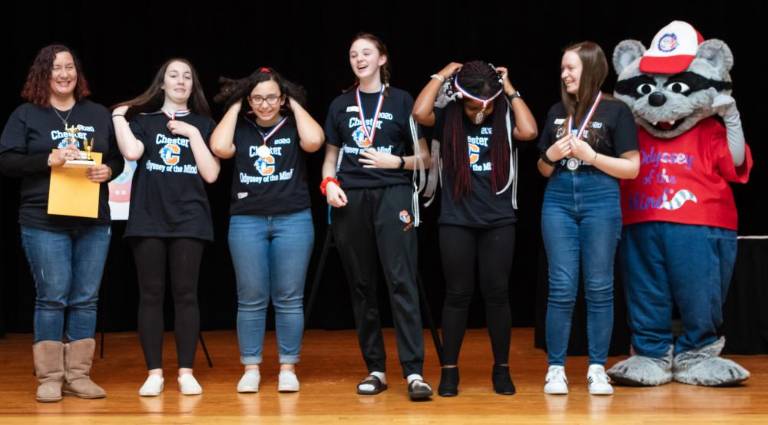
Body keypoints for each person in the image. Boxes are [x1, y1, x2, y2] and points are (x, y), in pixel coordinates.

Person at [0, 44, 123, 402]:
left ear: (77, 73)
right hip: (43, 220)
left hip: (93, 219)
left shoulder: (98, 113)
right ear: (43, 73)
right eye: (56, 68)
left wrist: (110, 170)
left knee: (86, 298)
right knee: (53, 298)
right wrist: (46, 159)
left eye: (70, 67)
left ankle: (79, 375)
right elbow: (7, 161)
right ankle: (50, 377)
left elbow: (115, 156)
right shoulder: (26, 114)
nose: (64, 73)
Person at [412, 60, 538, 396]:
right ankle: (450, 371)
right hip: (456, 220)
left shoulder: (504, 113)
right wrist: (441, 74)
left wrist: (508, 90)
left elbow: (529, 132)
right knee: (457, 295)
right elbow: (419, 112)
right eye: (473, 105)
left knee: (497, 295)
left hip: (498, 220)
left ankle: (502, 369)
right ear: (460, 98)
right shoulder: (449, 116)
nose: (480, 112)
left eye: (487, 105)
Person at [321, 32, 432, 400]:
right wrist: (329, 185)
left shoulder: (402, 101)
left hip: (393, 193)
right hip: (351, 199)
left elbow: (425, 158)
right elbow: (329, 159)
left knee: (401, 282)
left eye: (367, 52)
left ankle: (414, 373)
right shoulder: (339, 104)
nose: (359, 58)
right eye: (353, 54)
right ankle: (376, 370)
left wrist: (395, 161)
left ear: (382, 58)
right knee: (362, 286)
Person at [210, 67, 324, 393]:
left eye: (272, 97)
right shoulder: (242, 127)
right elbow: (219, 147)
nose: (265, 104)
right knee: (251, 299)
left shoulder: (291, 125)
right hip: (247, 220)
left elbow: (315, 142)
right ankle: (251, 367)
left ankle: (288, 366)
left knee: (289, 299)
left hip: (293, 220)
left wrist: (292, 102)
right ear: (249, 100)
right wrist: (236, 103)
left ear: (282, 98)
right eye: (258, 98)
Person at [112, 58, 220, 396]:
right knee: (151, 295)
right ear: (161, 83)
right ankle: (154, 373)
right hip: (148, 218)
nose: (180, 80)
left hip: (190, 218)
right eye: (173, 75)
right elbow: (131, 151)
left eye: (187, 76)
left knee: (186, 295)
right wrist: (119, 115)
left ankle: (186, 372)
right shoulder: (145, 122)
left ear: (193, 86)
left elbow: (212, 173)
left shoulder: (203, 123)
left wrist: (190, 133)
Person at [537, 41, 640, 395]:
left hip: (600, 197)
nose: (564, 74)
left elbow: (631, 168)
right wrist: (549, 154)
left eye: (571, 68)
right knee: (562, 287)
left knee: (599, 287)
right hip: (559, 199)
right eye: (563, 68)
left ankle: (597, 368)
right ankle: (555, 369)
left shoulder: (616, 111)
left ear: (591, 69)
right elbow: (542, 169)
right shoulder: (555, 112)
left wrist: (592, 155)